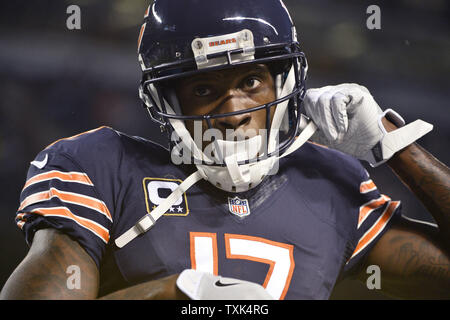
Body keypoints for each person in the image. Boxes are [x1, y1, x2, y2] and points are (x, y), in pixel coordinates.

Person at [1, 0, 449, 300]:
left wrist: (393, 145)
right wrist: (174, 293)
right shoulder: (101, 166)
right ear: (166, 102)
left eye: (251, 81)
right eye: (202, 87)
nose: (234, 111)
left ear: (285, 83)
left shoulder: (331, 183)